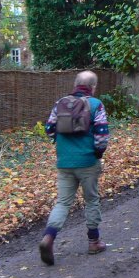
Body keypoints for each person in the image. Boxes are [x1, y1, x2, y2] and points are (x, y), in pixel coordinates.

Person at [39, 70, 110, 265]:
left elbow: (49, 128)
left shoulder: (60, 103)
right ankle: (94, 242)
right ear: (93, 87)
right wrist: (97, 154)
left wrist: (60, 146)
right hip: (88, 162)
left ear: (75, 84)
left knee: (62, 202)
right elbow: (102, 135)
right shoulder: (96, 105)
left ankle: (49, 237)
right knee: (92, 201)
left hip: (64, 162)